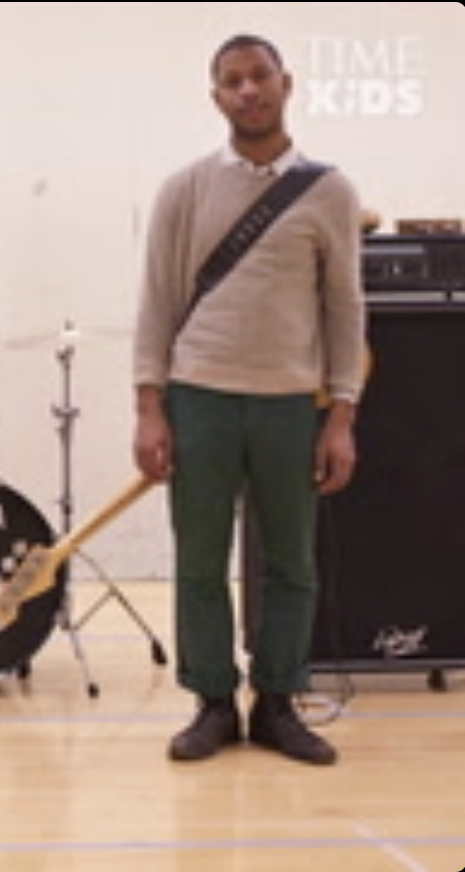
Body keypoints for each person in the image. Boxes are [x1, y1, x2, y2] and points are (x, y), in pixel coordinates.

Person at [132, 33, 366, 766]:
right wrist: (149, 408)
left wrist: (341, 419)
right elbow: (157, 304)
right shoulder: (184, 189)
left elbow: (344, 310)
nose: (247, 91)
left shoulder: (329, 192)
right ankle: (210, 703)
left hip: (290, 405)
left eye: (259, 76)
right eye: (232, 81)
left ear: (286, 83)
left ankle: (276, 702)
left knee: (290, 563)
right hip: (198, 397)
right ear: (216, 97)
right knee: (201, 560)